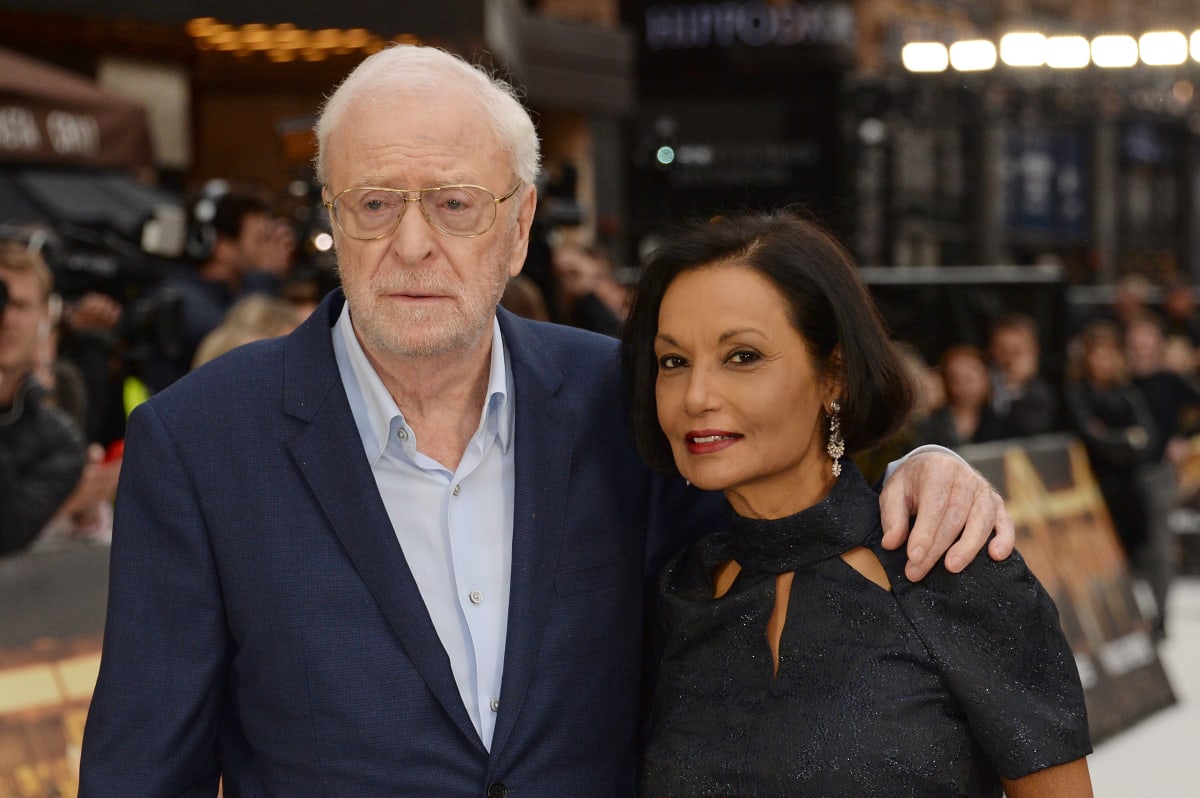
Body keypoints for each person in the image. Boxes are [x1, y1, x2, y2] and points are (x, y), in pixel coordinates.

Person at [79, 45, 1013, 797]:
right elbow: (141, 772)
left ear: (520, 226)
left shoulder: (623, 398)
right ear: (332, 216)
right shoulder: (201, 441)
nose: (412, 243)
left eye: (452, 204)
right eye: (373, 204)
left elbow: (781, 518)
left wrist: (916, 467)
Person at [622, 211, 1092, 796]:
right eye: (674, 362)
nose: (696, 396)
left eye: (742, 356)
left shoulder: (950, 572)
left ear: (834, 375)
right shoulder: (679, 593)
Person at [139, 186, 297, 392]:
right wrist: (266, 279)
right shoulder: (183, 300)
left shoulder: (238, 292)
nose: (272, 249)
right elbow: (234, 347)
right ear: (222, 248)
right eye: (261, 240)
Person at [0, 240, 85, 556]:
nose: (6, 319)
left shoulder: (59, 441)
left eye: (20, 306)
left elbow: (8, 531)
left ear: (44, 318)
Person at [918, 344, 1006, 448]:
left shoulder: (1000, 418)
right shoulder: (933, 423)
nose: (964, 386)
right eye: (955, 379)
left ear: (987, 376)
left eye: (969, 379)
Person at [988, 311, 1060, 437]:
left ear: (1034, 352)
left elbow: (1034, 433)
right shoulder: (981, 384)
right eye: (1003, 350)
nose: (1008, 359)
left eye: (1017, 351)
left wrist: (1015, 385)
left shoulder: (1044, 392)